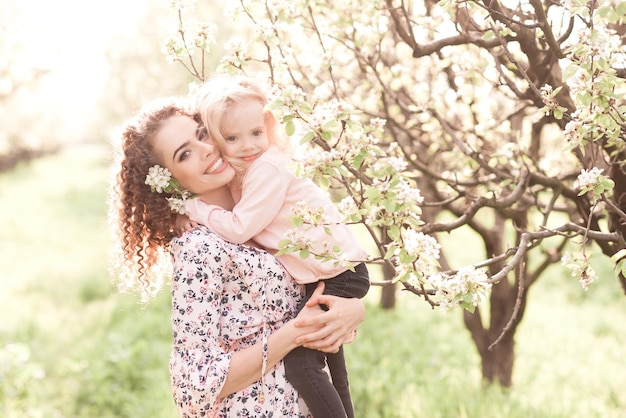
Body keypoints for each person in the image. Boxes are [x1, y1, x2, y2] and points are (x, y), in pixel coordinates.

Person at [108, 96, 366, 417]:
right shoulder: (200, 247)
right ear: (170, 181)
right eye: (184, 154)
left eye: (202, 134)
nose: (204, 149)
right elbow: (194, 386)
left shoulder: (264, 216)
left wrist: (351, 311)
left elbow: (311, 297)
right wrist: (297, 332)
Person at [183, 75, 370, 418]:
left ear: (268, 125)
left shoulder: (267, 168)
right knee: (333, 369)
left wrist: (196, 209)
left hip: (337, 274)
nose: (248, 145)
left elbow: (241, 228)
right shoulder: (253, 171)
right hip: (331, 272)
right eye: (233, 138)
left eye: (256, 132)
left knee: (302, 365)